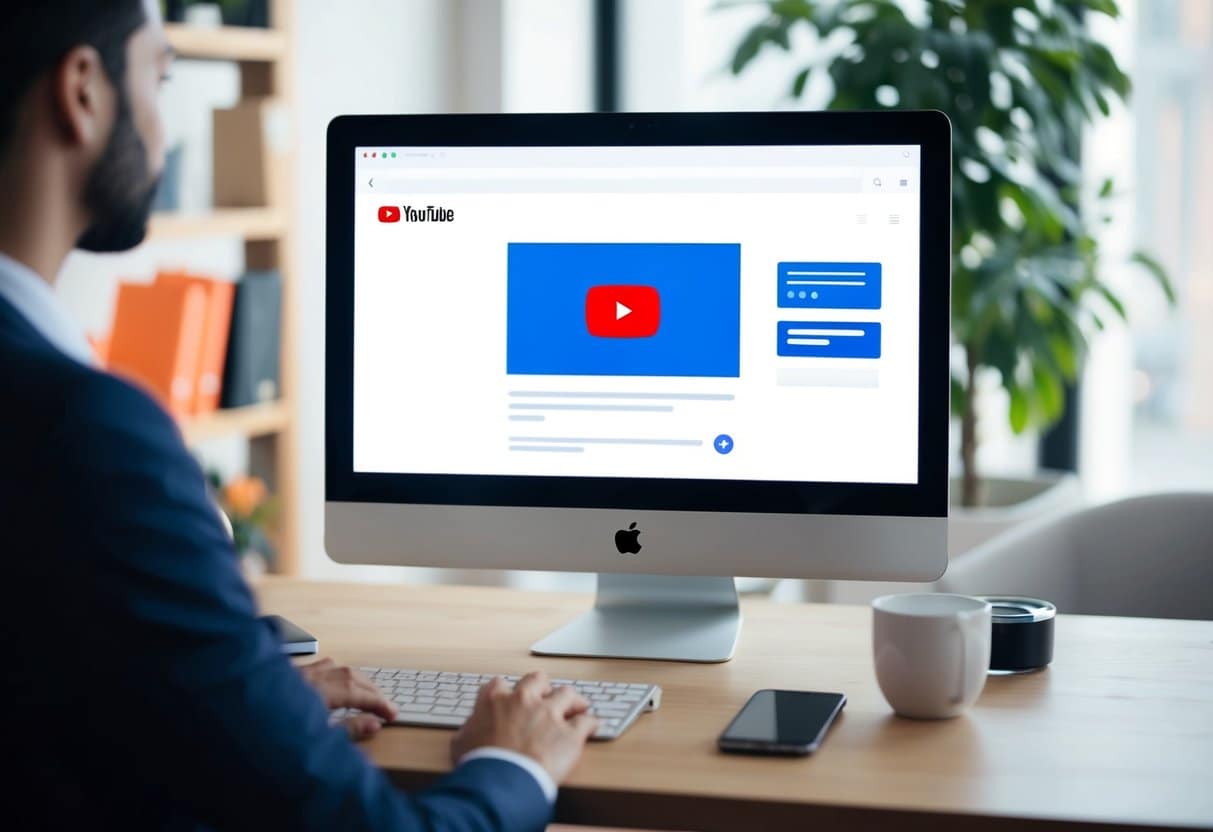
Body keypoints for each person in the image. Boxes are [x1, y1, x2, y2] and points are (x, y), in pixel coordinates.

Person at [0, 2, 596, 829]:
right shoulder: (88, 433)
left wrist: (238, 713)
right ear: (82, 92)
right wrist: (513, 762)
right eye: (160, 79)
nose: (164, 129)